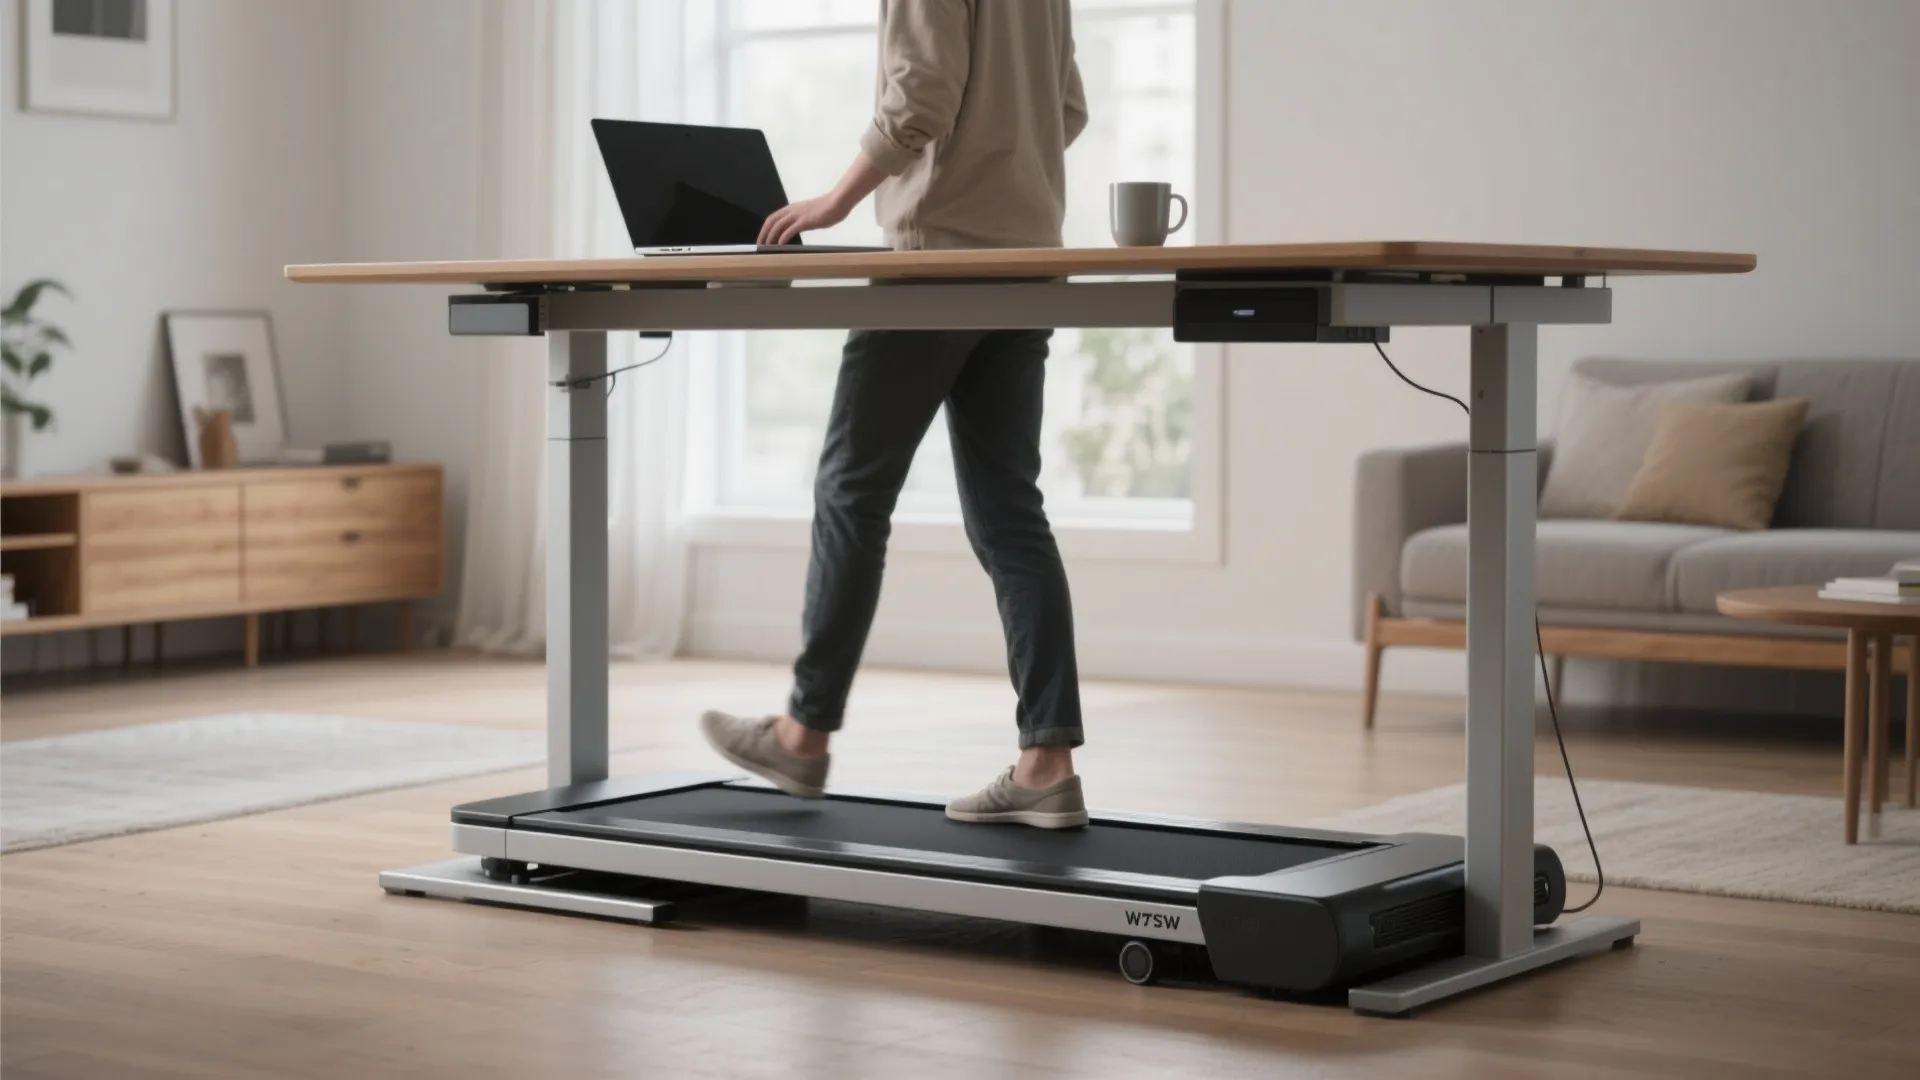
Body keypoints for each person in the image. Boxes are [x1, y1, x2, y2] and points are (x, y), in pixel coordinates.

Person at [700, 0, 1091, 829]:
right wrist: (1008, 177)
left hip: (936, 260)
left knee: (852, 491)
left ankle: (802, 737)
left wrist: (835, 201)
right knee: (1012, 514)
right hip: (1030, 258)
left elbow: (920, 98)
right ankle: (1046, 762)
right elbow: (1068, 109)